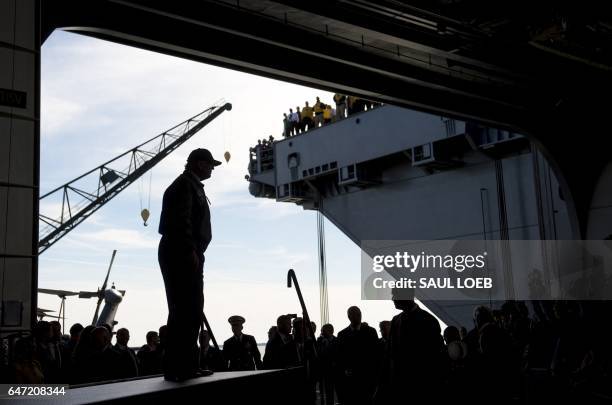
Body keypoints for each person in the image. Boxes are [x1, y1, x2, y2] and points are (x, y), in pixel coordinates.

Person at [158, 148, 220, 382]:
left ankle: (185, 365)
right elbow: (180, 220)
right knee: (185, 309)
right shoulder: (184, 185)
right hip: (181, 252)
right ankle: (180, 367)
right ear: (198, 164)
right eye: (210, 164)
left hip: (186, 251)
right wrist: (189, 250)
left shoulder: (188, 185)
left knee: (189, 310)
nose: (212, 168)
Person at [335, 306, 379, 405]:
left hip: (367, 377)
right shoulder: (342, 334)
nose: (359, 316)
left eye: (359, 314)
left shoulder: (371, 332)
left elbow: (376, 355)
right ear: (349, 317)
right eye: (356, 314)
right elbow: (340, 357)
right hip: (350, 379)